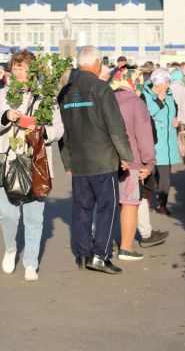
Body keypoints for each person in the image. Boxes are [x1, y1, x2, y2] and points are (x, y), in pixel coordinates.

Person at [0, 50, 64, 281]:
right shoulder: (3, 94)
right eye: (16, 67)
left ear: (34, 71)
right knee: (8, 215)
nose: (19, 72)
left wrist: (41, 132)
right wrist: (5, 116)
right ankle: (11, 249)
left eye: (23, 67)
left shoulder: (46, 96)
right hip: (8, 160)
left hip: (36, 162)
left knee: (34, 216)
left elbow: (59, 129)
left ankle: (30, 261)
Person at [59, 45, 134, 274]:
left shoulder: (65, 92)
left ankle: (82, 255)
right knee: (106, 208)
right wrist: (126, 155)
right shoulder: (101, 88)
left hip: (79, 161)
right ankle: (100, 255)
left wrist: (67, 161)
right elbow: (115, 126)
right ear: (95, 64)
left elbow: (63, 131)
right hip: (103, 160)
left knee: (82, 209)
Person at [110, 68, 162, 260]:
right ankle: (126, 247)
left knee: (106, 205)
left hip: (106, 161)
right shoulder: (136, 103)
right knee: (130, 204)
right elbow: (144, 136)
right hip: (131, 162)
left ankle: (101, 245)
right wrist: (149, 163)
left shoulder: (106, 101)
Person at [142, 69, 181, 215]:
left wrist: (176, 120)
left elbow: (173, 111)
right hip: (151, 141)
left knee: (165, 177)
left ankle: (162, 204)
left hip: (167, 142)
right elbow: (146, 114)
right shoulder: (145, 95)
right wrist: (159, 100)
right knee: (149, 175)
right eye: (167, 81)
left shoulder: (170, 95)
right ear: (159, 82)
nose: (169, 84)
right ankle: (146, 201)